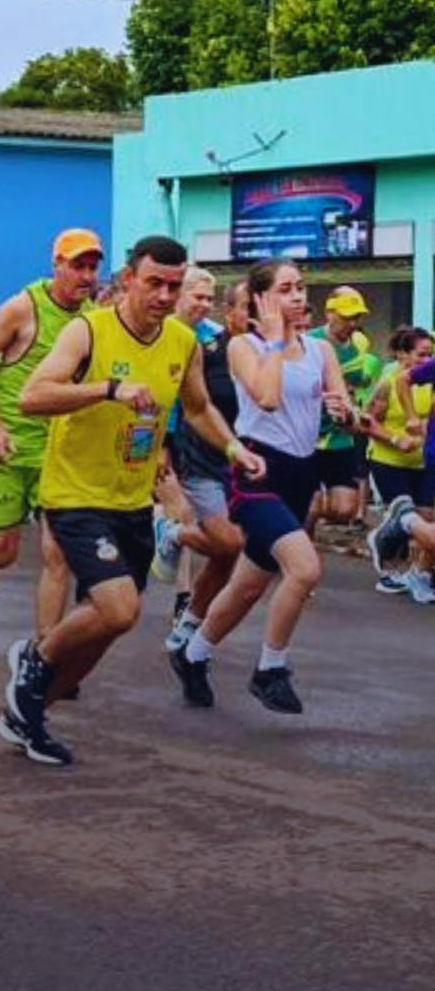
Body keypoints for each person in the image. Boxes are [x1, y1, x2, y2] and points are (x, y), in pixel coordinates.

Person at [1, 236, 261, 766]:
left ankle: (27, 716)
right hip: (74, 493)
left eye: (174, 285)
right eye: (154, 284)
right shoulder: (88, 331)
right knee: (119, 607)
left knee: (107, 629)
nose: (165, 296)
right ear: (127, 280)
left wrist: (234, 447)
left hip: (132, 500)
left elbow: (196, 407)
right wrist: (106, 389)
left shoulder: (182, 344)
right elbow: (32, 397)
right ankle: (35, 659)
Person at [169, 259, 352, 716]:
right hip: (257, 475)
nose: (297, 296)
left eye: (300, 287)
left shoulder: (320, 350)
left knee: (249, 585)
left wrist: (343, 409)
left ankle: (192, 655)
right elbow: (267, 398)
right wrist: (273, 339)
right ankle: (270, 669)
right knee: (305, 570)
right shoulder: (244, 347)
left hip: (301, 474)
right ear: (261, 299)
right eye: (285, 289)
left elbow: (345, 406)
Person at [0, 230, 105, 611]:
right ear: (57, 265)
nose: (87, 276)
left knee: (58, 553)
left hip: (54, 454)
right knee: (2, 553)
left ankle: (45, 657)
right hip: (5, 448)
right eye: (78, 266)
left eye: (94, 267)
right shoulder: (22, 308)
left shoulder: (93, 320)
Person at [162, 270, 248, 652]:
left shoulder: (211, 339)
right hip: (167, 440)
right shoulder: (160, 333)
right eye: (196, 297)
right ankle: (183, 593)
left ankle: (184, 595)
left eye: (207, 298)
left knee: (215, 536)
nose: (202, 304)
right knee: (184, 516)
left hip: (203, 438)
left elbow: (203, 406)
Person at [362, 327, 434, 596]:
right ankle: (389, 569)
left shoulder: (429, 383)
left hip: (422, 463)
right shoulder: (388, 382)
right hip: (388, 461)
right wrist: (395, 439)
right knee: (407, 519)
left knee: (426, 521)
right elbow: (365, 422)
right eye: (421, 355)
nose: (426, 361)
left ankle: (418, 575)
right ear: (403, 354)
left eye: (431, 355)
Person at [314, 287, 382, 527]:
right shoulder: (309, 342)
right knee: (308, 511)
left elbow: (360, 383)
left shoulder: (356, 348)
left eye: (357, 317)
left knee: (344, 509)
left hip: (339, 437)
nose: (352, 323)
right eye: (347, 317)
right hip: (307, 436)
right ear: (329, 313)